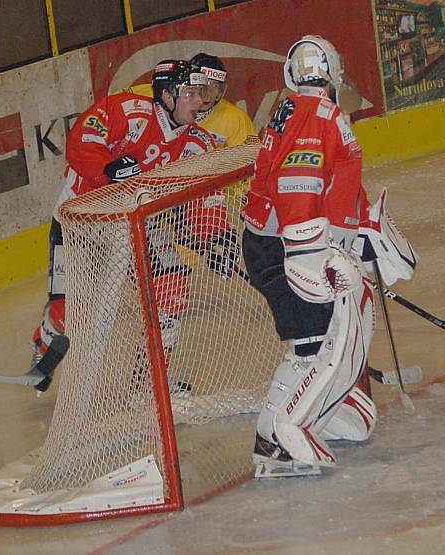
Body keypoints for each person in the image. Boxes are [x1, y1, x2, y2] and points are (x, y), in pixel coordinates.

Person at [242, 36, 416, 478]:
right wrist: (309, 253)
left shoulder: (299, 110)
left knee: (308, 344)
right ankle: (282, 436)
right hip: (288, 245)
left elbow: (329, 189)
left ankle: (275, 435)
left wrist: (357, 236)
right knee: (319, 343)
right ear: (333, 72)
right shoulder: (319, 115)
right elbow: (299, 182)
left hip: (279, 239)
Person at [31, 60, 222, 364]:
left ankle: (147, 385)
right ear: (169, 95)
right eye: (191, 93)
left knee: (171, 290)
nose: (200, 101)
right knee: (69, 313)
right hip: (80, 220)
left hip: (139, 226)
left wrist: (215, 235)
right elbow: (82, 139)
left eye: (202, 94)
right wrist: (108, 169)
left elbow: (206, 196)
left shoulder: (198, 144)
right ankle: (44, 343)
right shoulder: (130, 110)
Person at [122, 53, 258, 149]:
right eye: (203, 86)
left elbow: (251, 165)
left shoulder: (236, 119)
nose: (207, 96)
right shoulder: (156, 91)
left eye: (215, 87)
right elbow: (111, 108)